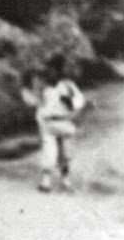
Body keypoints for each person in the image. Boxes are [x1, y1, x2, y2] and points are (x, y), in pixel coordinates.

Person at [22, 54, 86, 192]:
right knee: (49, 152)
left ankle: (65, 180)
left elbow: (80, 100)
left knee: (67, 152)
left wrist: (71, 102)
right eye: (51, 68)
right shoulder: (42, 85)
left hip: (64, 122)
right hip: (48, 124)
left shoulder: (68, 86)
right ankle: (46, 181)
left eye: (56, 69)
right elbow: (33, 101)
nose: (53, 72)